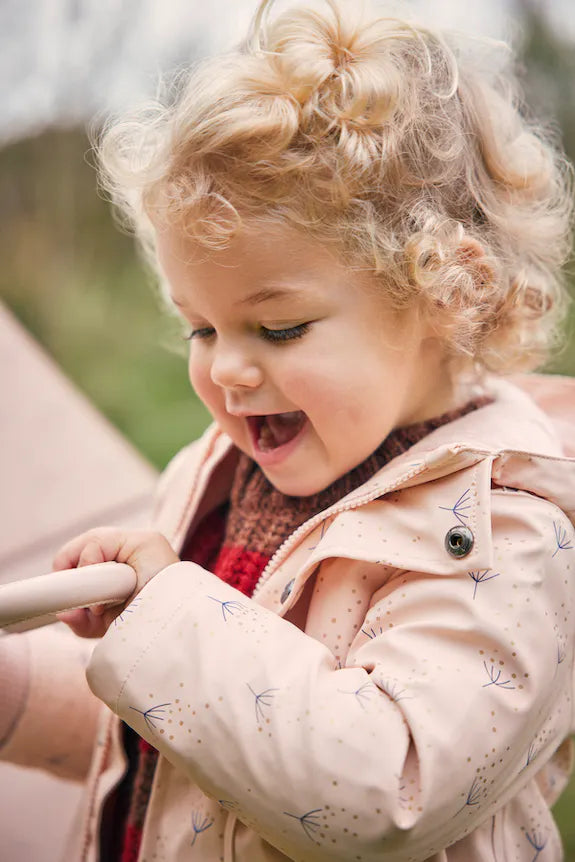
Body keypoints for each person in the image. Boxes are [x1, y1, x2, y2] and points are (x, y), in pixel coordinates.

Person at [2, 1, 575, 859]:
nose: (225, 370)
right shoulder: (222, 474)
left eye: (276, 330)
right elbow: (185, 732)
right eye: (201, 327)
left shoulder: (507, 534)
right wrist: (14, 691)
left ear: (440, 296)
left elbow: (386, 790)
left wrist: (165, 615)